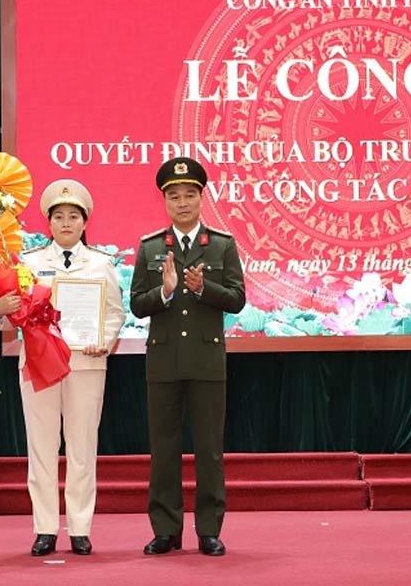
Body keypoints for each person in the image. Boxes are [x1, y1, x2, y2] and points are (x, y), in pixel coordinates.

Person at [0, 179, 125, 557]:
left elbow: (114, 312)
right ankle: (45, 528)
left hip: (86, 363)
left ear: (85, 223)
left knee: (83, 448)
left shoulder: (101, 263)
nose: (66, 223)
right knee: (42, 447)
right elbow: (11, 317)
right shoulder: (30, 264)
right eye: (59, 216)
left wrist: (107, 338)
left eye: (74, 216)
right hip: (38, 366)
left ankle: (80, 528)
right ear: (48, 223)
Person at [130, 156, 246, 557]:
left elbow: (237, 300)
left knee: (210, 451)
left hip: (206, 362)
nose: (182, 203)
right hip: (162, 363)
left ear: (201, 198)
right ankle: (166, 529)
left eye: (190, 195)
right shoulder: (149, 248)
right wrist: (163, 292)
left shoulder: (221, 245)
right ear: (165, 201)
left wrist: (202, 288)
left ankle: (209, 530)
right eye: (174, 196)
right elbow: (137, 305)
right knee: (163, 450)